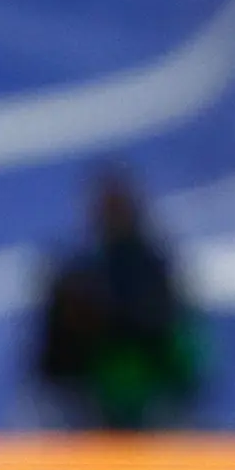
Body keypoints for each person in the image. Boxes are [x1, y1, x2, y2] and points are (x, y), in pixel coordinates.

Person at [34, 169, 202, 429]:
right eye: (107, 209)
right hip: (89, 402)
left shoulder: (153, 267)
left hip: (152, 398)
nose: (113, 217)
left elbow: (176, 333)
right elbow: (52, 361)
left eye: (118, 208)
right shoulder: (78, 270)